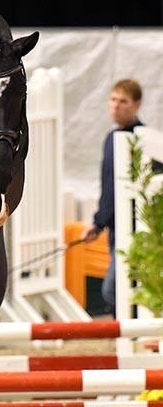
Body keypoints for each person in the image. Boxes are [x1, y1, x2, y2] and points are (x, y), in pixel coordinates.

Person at [82, 79, 143, 316]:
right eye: (113, 100)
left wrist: (98, 221)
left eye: (124, 101)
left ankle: (131, 331)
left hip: (134, 227)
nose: (116, 106)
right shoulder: (112, 138)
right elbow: (108, 188)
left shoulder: (140, 138)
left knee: (113, 289)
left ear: (137, 105)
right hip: (115, 226)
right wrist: (100, 221)